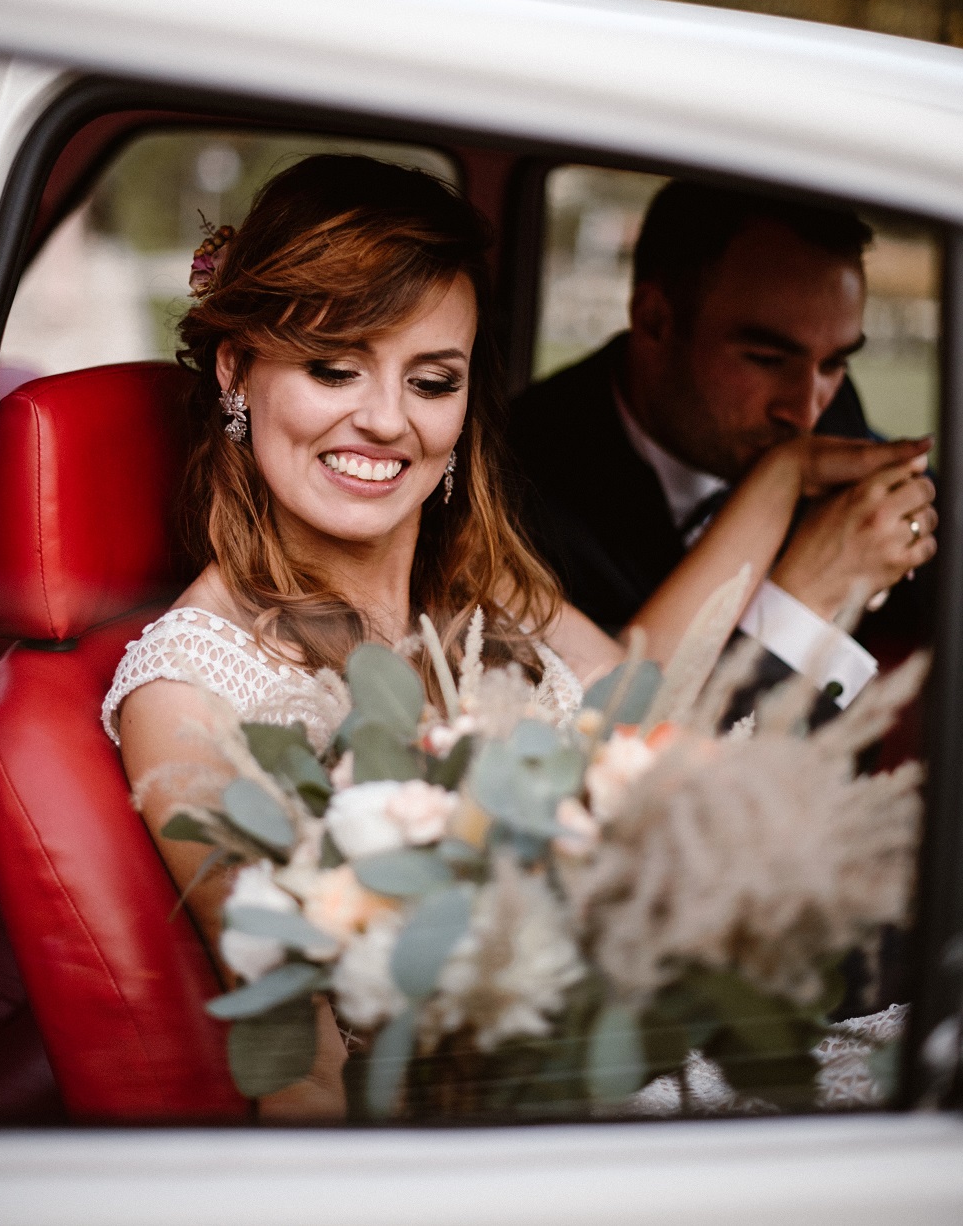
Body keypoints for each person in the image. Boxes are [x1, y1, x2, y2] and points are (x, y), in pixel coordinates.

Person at [102, 156, 933, 1121]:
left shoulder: (476, 582)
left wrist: (780, 475)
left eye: (432, 380)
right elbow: (306, 1070)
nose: (387, 421)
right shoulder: (190, 692)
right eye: (334, 369)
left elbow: (649, 706)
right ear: (236, 370)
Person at [509, 181, 938, 714]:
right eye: (766, 359)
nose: (806, 412)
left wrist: (905, 534)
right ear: (655, 321)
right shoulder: (521, 485)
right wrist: (802, 603)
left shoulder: (832, 420)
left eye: (834, 363)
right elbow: (622, 737)